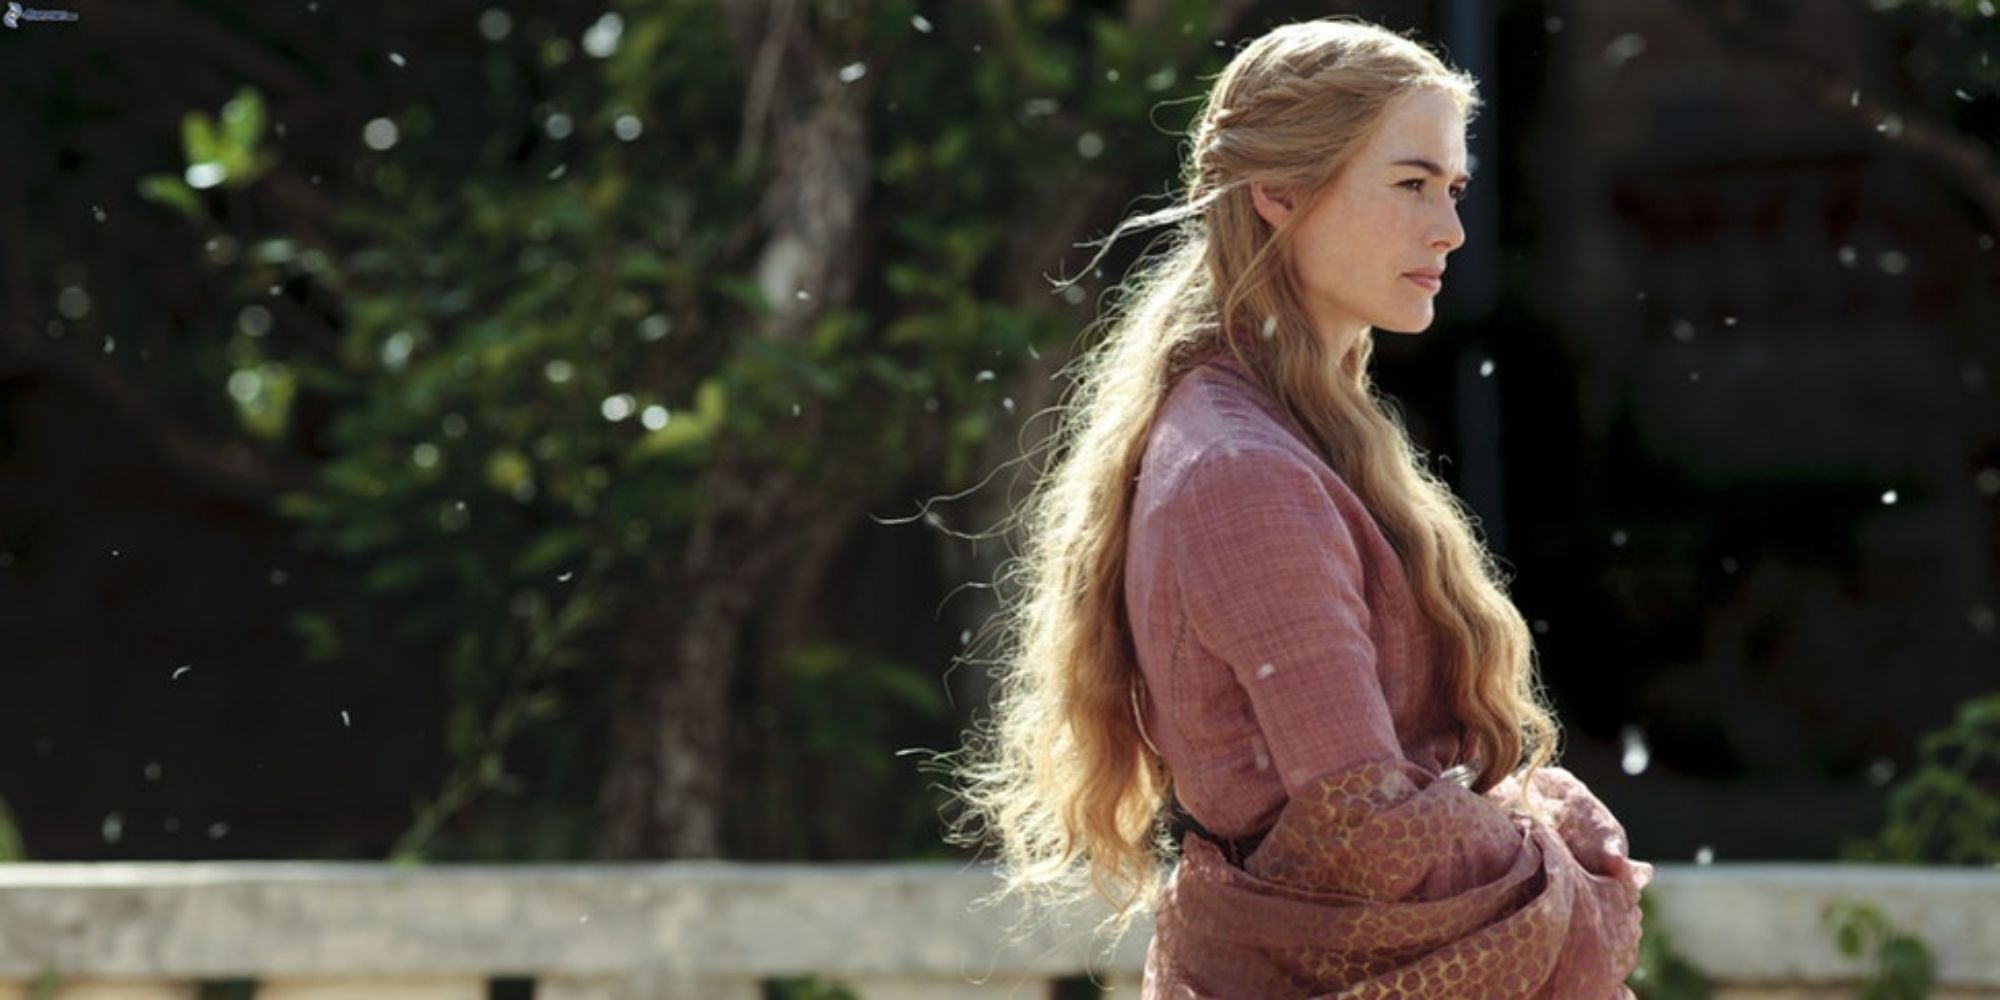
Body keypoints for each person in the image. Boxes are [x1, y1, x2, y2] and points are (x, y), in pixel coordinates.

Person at [951, 15, 1654, 999]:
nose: (1447, 228)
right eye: (1409, 185)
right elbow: (1364, 828)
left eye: (1451, 189)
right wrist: (1564, 859)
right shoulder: (1244, 472)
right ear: (1277, 193)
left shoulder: (1281, 432)